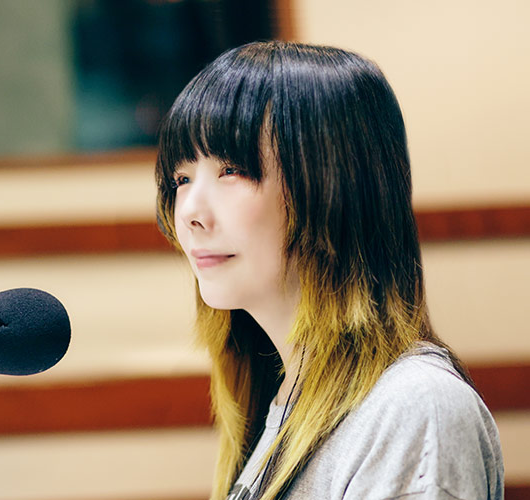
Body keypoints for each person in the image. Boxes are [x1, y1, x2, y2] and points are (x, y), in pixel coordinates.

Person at [154, 41, 504, 500]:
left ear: (332, 187)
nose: (190, 214)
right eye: (181, 179)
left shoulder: (414, 408)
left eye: (232, 170)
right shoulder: (278, 402)